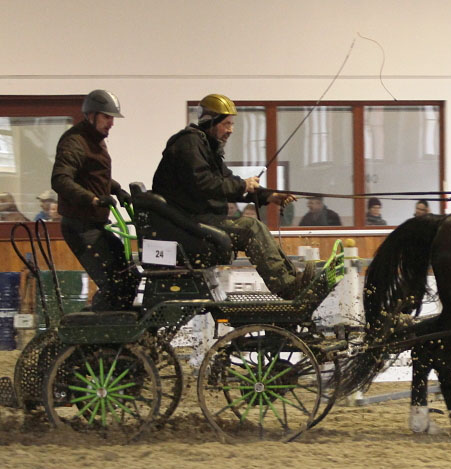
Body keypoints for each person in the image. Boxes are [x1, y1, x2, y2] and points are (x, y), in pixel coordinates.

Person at [152, 93, 324, 299]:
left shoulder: (205, 146)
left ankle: (291, 280)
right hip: (187, 224)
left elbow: (227, 181)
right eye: (226, 124)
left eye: (232, 124)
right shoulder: (189, 144)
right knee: (251, 228)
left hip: (192, 220)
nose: (230, 130)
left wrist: (269, 196)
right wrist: (243, 184)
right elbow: (205, 184)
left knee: (252, 227)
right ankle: (287, 286)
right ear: (210, 121)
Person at [51, 89, 140, 311]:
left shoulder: (95, 140)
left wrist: (116, 188)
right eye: (107, 117)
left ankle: (121, 335)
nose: (111, 123)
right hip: (80, 227)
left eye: (112, 118)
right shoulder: (75, 142)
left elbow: (94, 175)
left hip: (95, 225)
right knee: (114, 284)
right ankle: (97, 338)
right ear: (91, 115)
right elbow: (60, 179)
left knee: (130, 278)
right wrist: (92, 199)